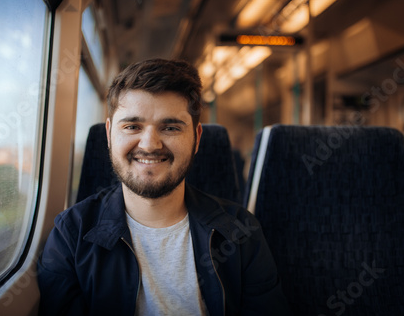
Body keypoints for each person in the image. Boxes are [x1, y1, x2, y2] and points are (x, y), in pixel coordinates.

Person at [37, 58, 289, 315]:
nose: (149, 144)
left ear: (196, 138)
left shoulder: (241, 232)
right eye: (132, 126)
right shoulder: (70, 235)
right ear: (110, 134)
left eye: (170, 127)